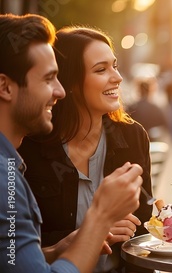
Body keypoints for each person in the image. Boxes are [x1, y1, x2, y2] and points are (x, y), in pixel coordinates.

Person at [0, 13, 143, 273]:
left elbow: (14, 259)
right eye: (101, 69)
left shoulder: (132, 136)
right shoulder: (17, 159)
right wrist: (98, 222)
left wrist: (59, 248)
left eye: (115, 65)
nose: (117, 77)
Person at [128, 77, 170, 141]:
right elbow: (166, 125)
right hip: (152, 140)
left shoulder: (132, 107)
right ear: (150, 91)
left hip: (137, 140)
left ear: (139, 90)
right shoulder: (156, 108)